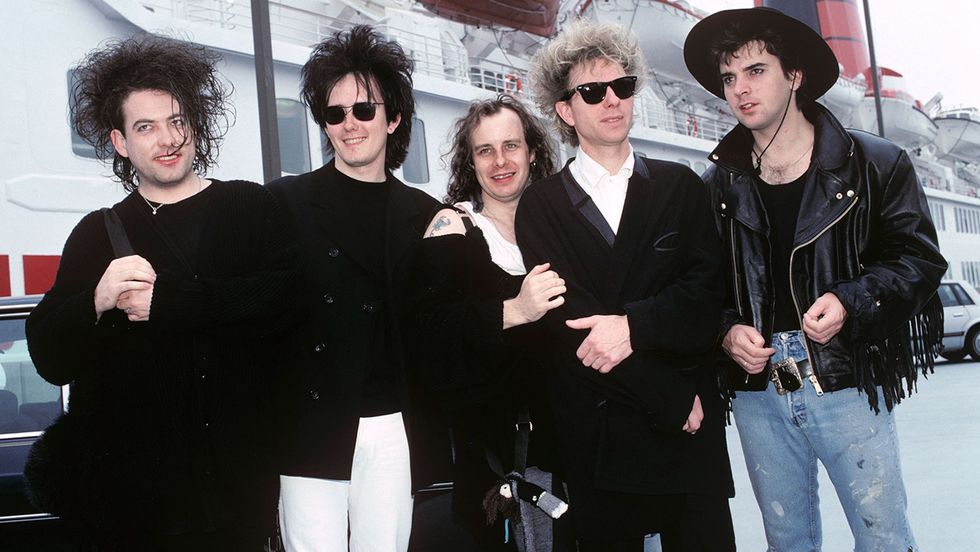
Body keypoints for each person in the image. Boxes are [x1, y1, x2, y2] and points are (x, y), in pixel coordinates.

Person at [683, 7, 946, 551]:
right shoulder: (716, 184)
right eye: (729, 78)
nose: (739, 90)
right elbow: (699, 283)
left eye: (756, 71)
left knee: (884, 540)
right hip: (758, 390)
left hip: (846, 376)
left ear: (794, 75)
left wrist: (851, 301)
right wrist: (726, 330)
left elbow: (918, 261)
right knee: (787, 542)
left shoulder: (874, 163)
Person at [25, 36, 298, 550]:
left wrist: (170, 303)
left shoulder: (249, 206)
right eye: (145, 127)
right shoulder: (96, 234)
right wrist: (95, 301)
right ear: (121, 142)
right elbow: (48, 357)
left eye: (177, 120)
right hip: (135, 508)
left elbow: (287, 301)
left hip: (238, 497)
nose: (167, 138)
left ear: (195, 124)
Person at [515, 19, 735, 551]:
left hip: (688, 437)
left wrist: (633, 326)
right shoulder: (543, 206)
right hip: (607, 433)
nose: (612, 101)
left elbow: (707, 294)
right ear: (566, 110)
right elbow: (572, 324)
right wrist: (669, 394)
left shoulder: (680, 186)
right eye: (593, 91)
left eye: (623, 86)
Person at [266, 25, 443, 552]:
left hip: (391, 424)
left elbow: (447, 324)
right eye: (335, 113)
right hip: (311, 424)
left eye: (364, 110)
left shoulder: (427, 216)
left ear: (393, 119)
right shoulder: (285, 203)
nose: (350, 124)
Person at [410, 94, 566, 549]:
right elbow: (428, 333)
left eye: (511, 146)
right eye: (485, 150)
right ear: (470, 162)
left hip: (569, 454)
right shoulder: (453, 227)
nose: (500, 161)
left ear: (532, 152)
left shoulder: (559, 230)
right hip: (498, 465)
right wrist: (513, 311)